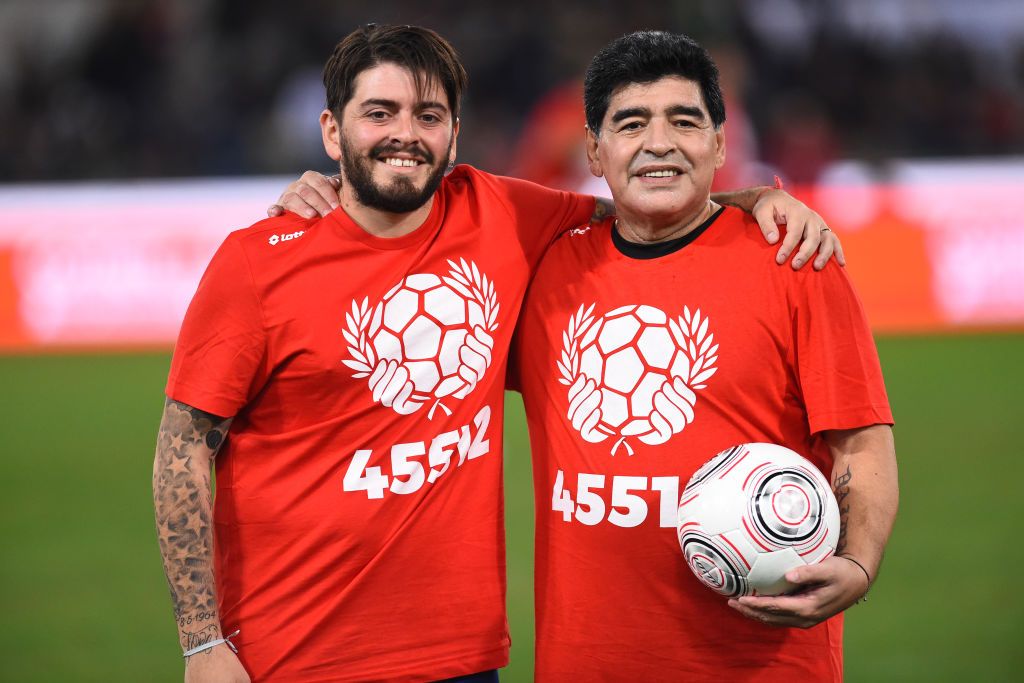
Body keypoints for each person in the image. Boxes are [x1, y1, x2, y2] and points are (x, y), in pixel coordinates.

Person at [154, 25, 841, 683]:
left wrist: (749, 203)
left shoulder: (502, 214)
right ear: (333, 132)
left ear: (455, 135)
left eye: (429, 115)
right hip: (292, 656)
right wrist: (203, 640)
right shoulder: (257, 263)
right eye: (379, 113)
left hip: (460, 658)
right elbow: (182, 447)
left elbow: (646, 201)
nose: (405, 134)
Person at [508, 31, 898, 680]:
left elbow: (860, 438)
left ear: (720, 143)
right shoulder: (546, 268)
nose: (659, 142)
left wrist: (857, 563)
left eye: (684, 121)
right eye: (631, 123)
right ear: (595, 153)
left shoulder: (795, 261)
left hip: (761, 663)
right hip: (586, 664)